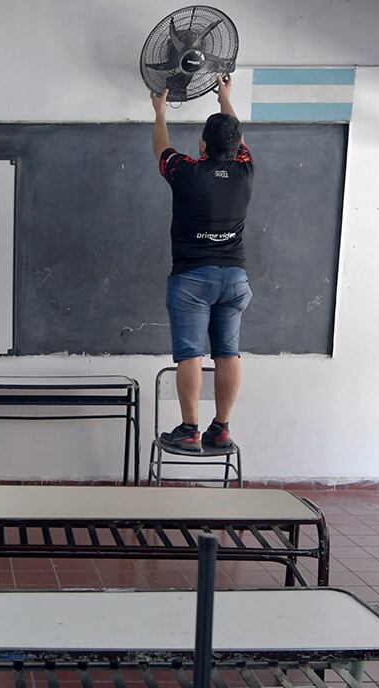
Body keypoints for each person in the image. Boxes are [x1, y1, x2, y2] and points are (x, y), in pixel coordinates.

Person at [150, 75, 253, 454]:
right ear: (237, 145)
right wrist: (226, 97)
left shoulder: (187, 172)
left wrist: (160, 111)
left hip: (193, 279)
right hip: (235, 279)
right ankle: (221, 428)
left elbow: (162, 148)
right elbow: (237, 139)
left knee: (190, 353)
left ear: (203, 145)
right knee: (228, 352)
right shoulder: (245, 171)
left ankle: (190, 429)